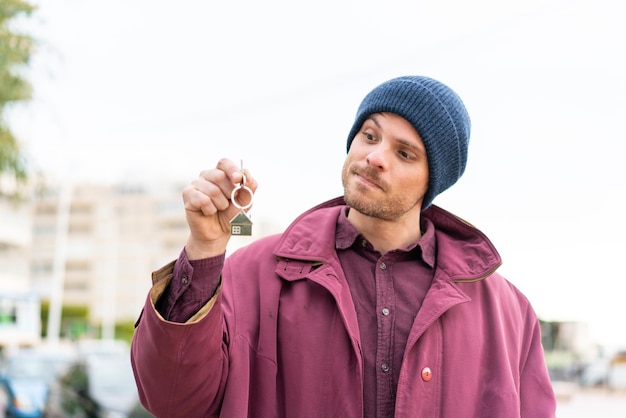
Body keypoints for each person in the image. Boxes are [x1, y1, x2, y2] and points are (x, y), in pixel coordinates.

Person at [130, 75, 557, 418]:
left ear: (433, 181)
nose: (375, 156)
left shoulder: (509, 314)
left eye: (405, 153)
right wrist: (205, 250)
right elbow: (171, 400)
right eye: (370, 136)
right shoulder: (253, 273)